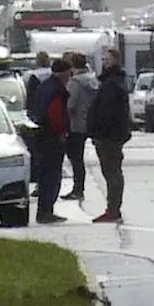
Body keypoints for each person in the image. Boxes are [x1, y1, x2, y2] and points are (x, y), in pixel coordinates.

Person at [88, 48, 132, 223]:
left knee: (112, 172)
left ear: (115, 61)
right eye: (104, 59)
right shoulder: (113, 82)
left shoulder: (111, 85)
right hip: (112, 135)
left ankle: (113, 208)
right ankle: (113, 207)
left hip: (108, 137)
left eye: (108, 60)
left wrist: (100, 131)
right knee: (112, 172)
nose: (105, 62)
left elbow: (108, 112)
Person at [31, 58, 72, 224]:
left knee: (44, 175)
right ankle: (46, 211)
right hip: (52, 138)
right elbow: (54, 114)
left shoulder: (44, 86)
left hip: (41, 136)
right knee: (52, 176)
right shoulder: (57, 91)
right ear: (64, 73)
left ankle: (44, 209)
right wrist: (62, 131)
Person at [63, 51, 99, 201]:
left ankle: (78, 188)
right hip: (89, 122)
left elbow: (70, 104)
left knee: (75, 158)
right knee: (79, 157)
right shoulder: (92, 79)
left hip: (75, 124)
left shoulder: (75, 82)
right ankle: (79, 187)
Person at [24, 50, 53, 196]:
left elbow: (30, 100)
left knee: (38, 155)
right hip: (54, 120)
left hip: (40, 120)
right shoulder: (53, 75)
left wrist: (31, 117)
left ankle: (40, 186)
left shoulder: (34, 76)